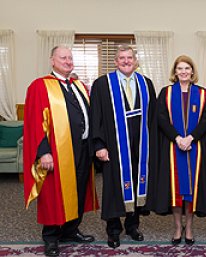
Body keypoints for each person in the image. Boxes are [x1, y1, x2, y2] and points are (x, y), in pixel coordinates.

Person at [23, 45, 97, 257]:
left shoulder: (79, 85)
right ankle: (51, 237)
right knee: (53, 193)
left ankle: (71, 230)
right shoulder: (40, 86)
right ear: (52, 60)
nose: (68, 61)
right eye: (63, 57)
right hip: (57, 151)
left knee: (79, 189)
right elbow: (34, 122)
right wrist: (43, 152)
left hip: (83, 148)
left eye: (70, 57)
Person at [89, 44, 157, 249]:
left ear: (136, 61)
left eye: (130, 58)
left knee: (137, 184)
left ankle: (133, 225)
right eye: (122, 58)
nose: (126, 61)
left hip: (140, 146)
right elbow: (96, 117)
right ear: (115, 61)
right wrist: (99, 145)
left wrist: (151, 146)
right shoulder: (102, 84)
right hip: (114, 145)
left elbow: (152, 117)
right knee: (113, 187)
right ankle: (113, 230)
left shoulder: (146, 83)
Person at [152, 55, 206, 246]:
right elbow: (162, 119)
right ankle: (177, 227)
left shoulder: (204, 94)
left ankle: (189, 227)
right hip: (173, 149)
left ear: (192, 71)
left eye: (187, 68)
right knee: (176, 190)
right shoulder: (166, 93)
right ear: (175, 72)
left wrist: (190, 138)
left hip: (195, 149)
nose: (183, 72)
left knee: (191, 192)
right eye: (180, 69)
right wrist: (178, 138)